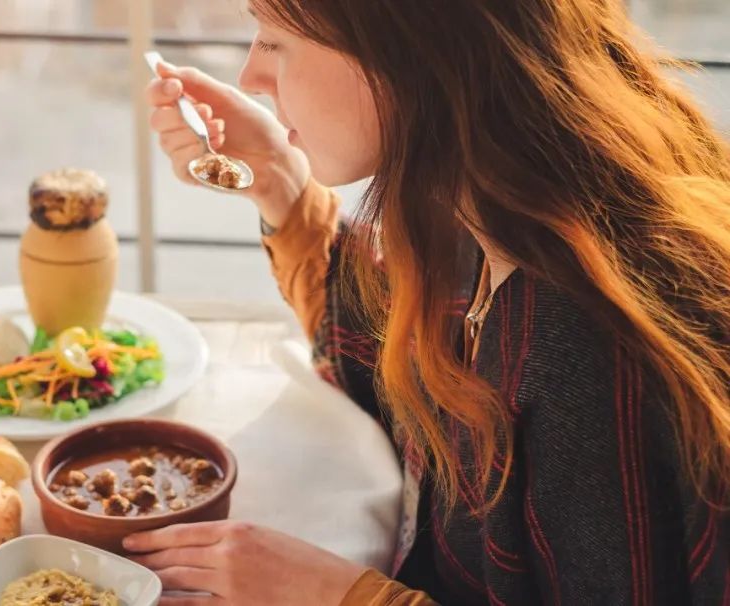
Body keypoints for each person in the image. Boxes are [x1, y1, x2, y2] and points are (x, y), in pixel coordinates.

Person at [123, 1, 730, 604]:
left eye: (276, 40)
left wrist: (345, 596)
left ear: (407, 50)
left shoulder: (589, 337)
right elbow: (402, 371)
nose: (250, 76)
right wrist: (279, 181)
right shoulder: (488, 210)